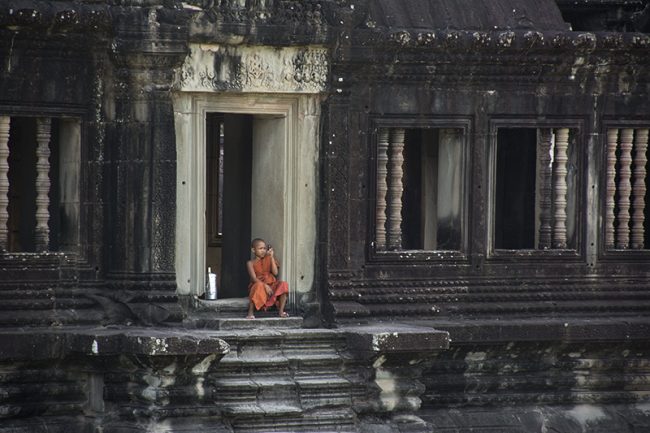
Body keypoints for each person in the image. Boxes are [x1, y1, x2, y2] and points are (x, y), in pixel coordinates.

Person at [246, 238, 289, 319]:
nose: (263, 251)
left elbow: (275, 273)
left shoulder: (268, 258)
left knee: (284, 284)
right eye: (260, 248)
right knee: (258, 285)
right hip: (258, 285)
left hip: (271, 284)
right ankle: (250, 312)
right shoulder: (250, 263)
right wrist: (265, 286)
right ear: (253, 250)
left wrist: (271, 257)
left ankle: (281, 311)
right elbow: (254, 278)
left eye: (264, 248)